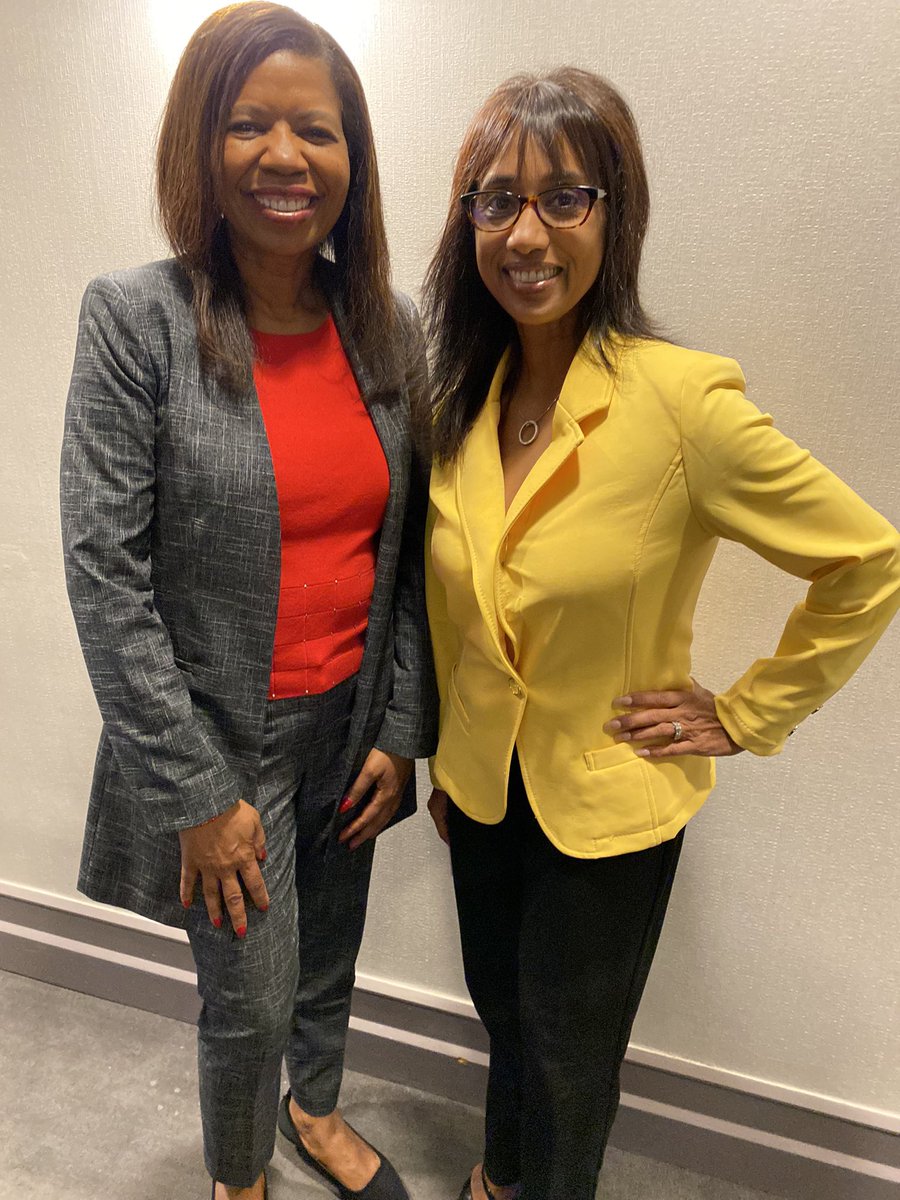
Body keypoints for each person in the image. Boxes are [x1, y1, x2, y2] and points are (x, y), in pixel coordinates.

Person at [422, 67, 900, 1200]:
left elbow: (867, 561)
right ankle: (497, 1179)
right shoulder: (459, 404)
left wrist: (743, 715)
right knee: (501, 1015)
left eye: (563, 198)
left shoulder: (683, 403)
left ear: (614, 212)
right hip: (482, 794)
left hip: (610, 805)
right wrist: (449, 756)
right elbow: (455, 611)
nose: (525, 233)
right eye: (495, 201)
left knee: (569, 1057)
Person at [60, 5, 435, 1199]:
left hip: (348, 721)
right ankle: (240, 1177)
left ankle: (315, 1109)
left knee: (329, 958)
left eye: (315, 131)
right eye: (250, 124)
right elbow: (104, 574)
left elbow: (412, 552)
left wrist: (398, 725)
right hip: (220, 742)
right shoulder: (138, 321)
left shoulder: (388, 326)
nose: (286, 156)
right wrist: (193, 792)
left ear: (351, 160)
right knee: (250, 992)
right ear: (201, 147)